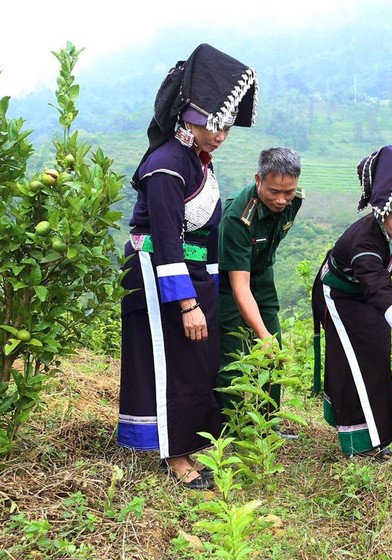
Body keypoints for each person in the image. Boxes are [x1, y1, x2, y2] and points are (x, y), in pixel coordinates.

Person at [117, 43, 259, 490]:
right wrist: (186, 303)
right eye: (213, 124)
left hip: (193, 273)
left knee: (200, 359)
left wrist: (208, 291)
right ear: (188, 117)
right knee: (174, 358)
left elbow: (206, 235)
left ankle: (189, 442)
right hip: (157, 269)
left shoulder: (199, 163)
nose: (220, 134)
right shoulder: (165, 166)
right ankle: (174, 455)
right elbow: (164, 236)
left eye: (226, 126)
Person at [311, 145, 392, 460]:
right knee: (357, 363)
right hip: (339, 295)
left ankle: (377, 439)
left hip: (368, 295)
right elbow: (380, 288)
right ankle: (360, 445)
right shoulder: (364, 243)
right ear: (382, 213)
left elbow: (380, 288)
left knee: (378, 357)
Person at [218, 147, 303, 426]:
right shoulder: (238, 217)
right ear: (258, 179)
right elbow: (239, 286)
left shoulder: (295, 200)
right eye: (273, 192)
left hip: (262, 274)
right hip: (231, 281)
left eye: (287, 192)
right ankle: (233, 426)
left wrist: (268, 337)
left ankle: (268, 424)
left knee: (273, 353)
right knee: (234, 356)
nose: (281, 200)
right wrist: (261, 334)